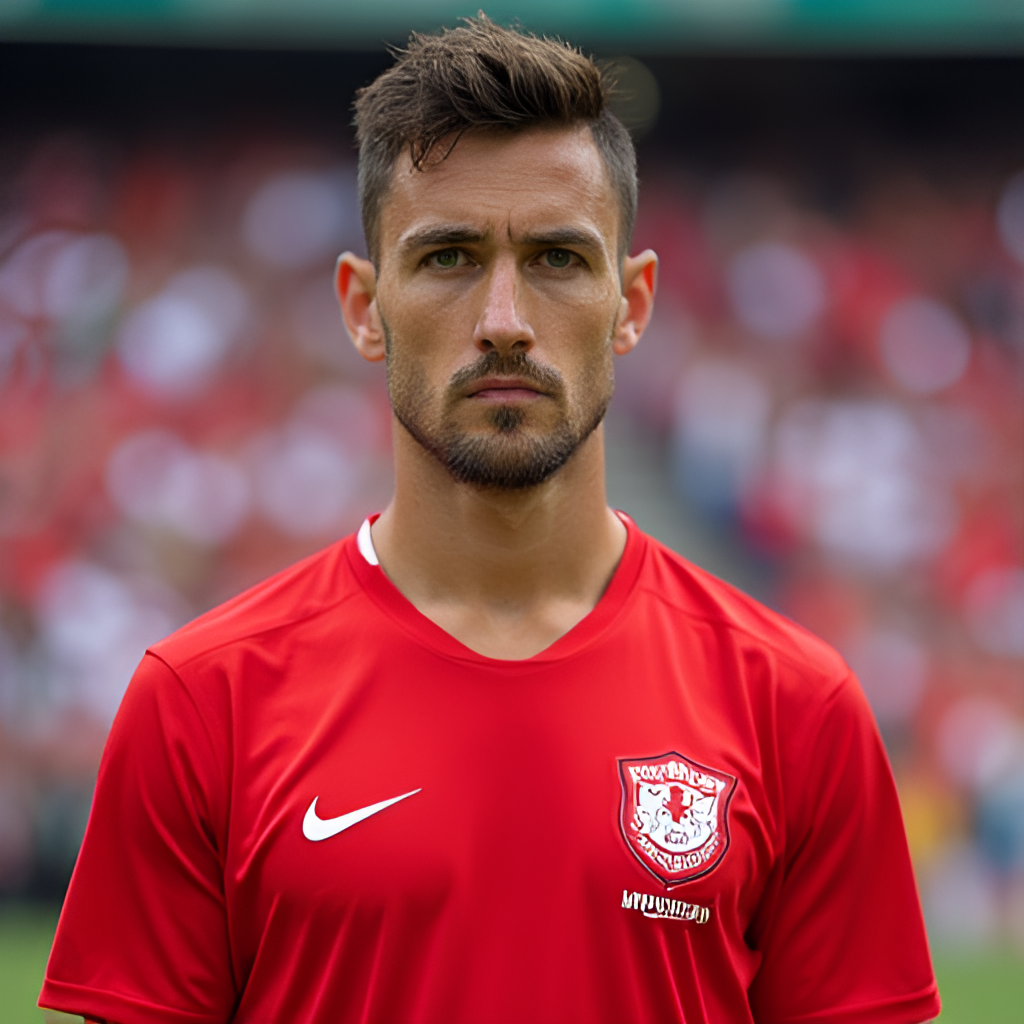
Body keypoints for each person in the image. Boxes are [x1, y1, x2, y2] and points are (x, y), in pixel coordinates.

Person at [40, 16, 940, 1024]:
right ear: (363, 306)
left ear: (633, 302)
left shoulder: (798, 709)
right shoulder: (200, 704)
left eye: (557, 258)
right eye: (448, 257)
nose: (504, 319)